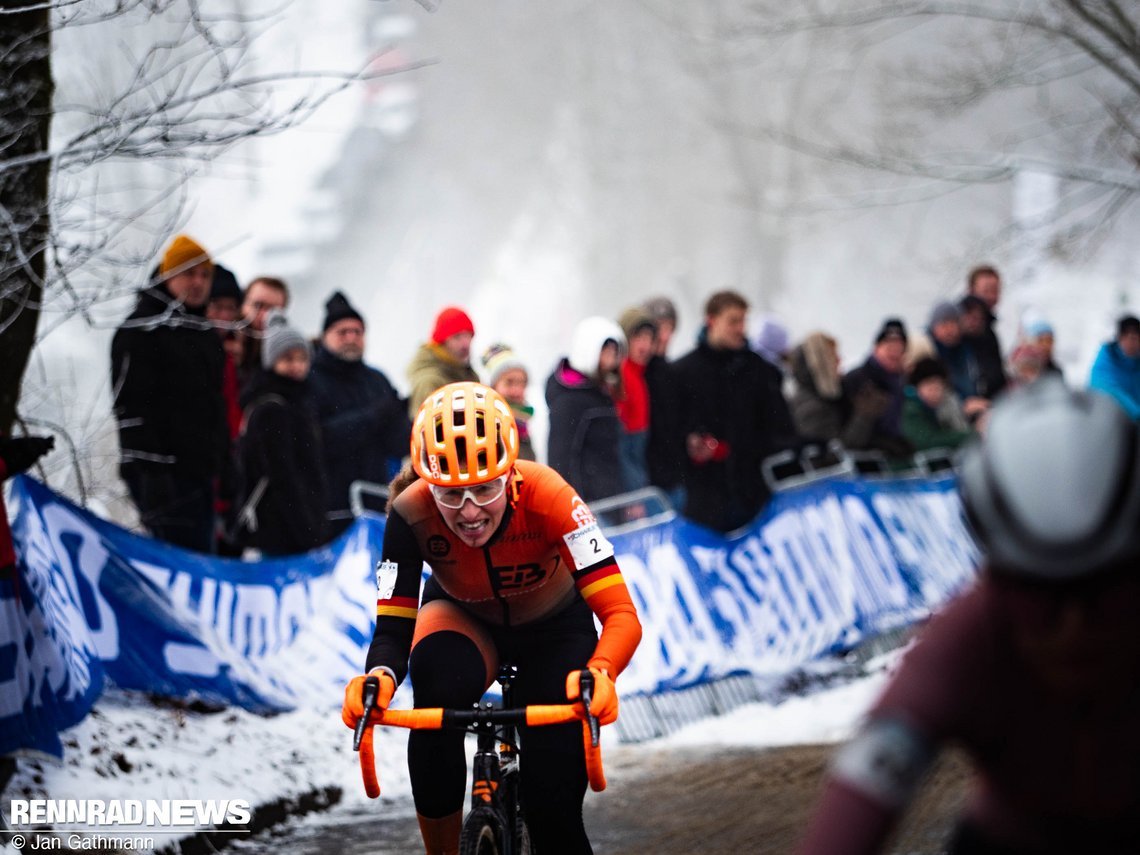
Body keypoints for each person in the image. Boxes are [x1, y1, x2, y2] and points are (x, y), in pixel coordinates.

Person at [798, 378, 1140, 854]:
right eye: (1040, 593)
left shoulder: (976, 627)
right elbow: (863, 789)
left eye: (1102, 589)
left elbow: (871, 773)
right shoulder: (968, 636)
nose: (1072, 626)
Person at [340, 382, 642, 855]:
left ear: (510, 475)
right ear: (427, 483)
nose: (470, 511)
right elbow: (394, 628)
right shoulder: (409, 513)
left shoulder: (551, 496)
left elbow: (621, 614)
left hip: (554, 629)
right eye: (451, 495)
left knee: (552, 811)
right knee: (433, 695)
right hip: (463, 618)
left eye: (485, 489)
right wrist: (378, 676)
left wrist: (600, 672)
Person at [110, 234, 229, 553]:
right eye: (189, 272)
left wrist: (227, 467)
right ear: (168, 275)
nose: (198, 282)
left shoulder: (204, 333)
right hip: (162, 480)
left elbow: (214, 408)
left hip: (201, 477)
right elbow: (131, 411)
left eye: (205, 275)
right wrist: (150, 475)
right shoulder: (141, 331)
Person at [671, 290, 798, 532]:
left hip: (755, 497)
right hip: (703, 502)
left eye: (743, 321)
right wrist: (693, 444)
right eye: (733, 321)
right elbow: (671, 433)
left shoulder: (758, 369)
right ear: (711, 321)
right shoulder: (682, 372)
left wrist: (737, 449)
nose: (741, 328)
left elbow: (781, 429)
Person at [307, 291, 411, 535]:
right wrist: (375, 416)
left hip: (376, 504)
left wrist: (405, 422)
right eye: (342, 332)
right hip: (330, 510)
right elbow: (321, 439)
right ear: (325, 337)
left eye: (357, 332)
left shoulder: (377, 380)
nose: (351, 338)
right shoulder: (311, 380)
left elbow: (400, 443)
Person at [234, 311, 327, 556]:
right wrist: (307, 531)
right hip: (280, 532)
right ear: (272, 361)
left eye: (302, 357)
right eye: (287, 358)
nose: (297, 365)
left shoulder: (298, 400)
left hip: (292, 527)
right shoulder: (272, 408)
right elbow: (282, 476)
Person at [546, 316, 626, 503]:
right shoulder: (570, 399)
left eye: (615, 352)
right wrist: (572, 506)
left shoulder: (599, 391)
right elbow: (561, 459)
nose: (612, 360)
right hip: (588, 505)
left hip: (610, 499)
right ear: (589, 350)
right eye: (606, 351)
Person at [788, 331, 889, 451]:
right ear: (821, 364)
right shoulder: (812, 407)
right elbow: (835, 453)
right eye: (833, 356)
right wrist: (864, 416)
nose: (839, 360)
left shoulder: (829, 396)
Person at [840, 318, 915, 459]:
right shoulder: (857, 379)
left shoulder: (901, 381)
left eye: (899, 348)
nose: (894, 353)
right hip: (865, 457)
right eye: (889, 347)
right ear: (876, 347)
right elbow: (849, 433)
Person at [641, 297, 684, 508]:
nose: (665, 336)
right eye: (659, 328)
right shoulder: (634, 374)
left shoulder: (674, 373)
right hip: (647, 484)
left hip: (676, 478)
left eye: (670, 329)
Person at [406, 306, 480, 418]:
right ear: (442, 341)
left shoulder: (467, 373)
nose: (465, 344)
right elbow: (427, 426)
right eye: (457, 337)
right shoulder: (429, 381)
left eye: (468, 335)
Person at [614, 306, 657, 492]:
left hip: (640, 463)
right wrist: (633, 491)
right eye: (638, 338)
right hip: (629, 479)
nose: (645, 346)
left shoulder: (638, 374)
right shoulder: (621, 376)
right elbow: (620, 448)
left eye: (649, 338)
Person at [900, 357, 974, 451]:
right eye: (929, 386)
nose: (935, 393)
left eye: (939, 387)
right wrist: (972, 435)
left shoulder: (939, 406)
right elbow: (926, 441)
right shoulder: (911, 409)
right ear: (917, 387)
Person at [481, 342, 536, 461]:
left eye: (521, 383)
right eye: (509, 382)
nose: (517, 391)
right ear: (493, 386)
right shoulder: (483, 428)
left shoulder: (522, 426)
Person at [237, 275, 290, 390]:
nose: (265, 315)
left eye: (273, 310)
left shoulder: (287, 353)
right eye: (258, 305)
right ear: (243, 304)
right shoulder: (225, 344)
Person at [1088, 314, 1140, 419]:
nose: (1131, 343)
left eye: (1135, 338)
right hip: (1112, 424)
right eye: (1126, 337)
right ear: (1118, 338)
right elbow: (1106, 390)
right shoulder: (1106, 359)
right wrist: (1136, 414)